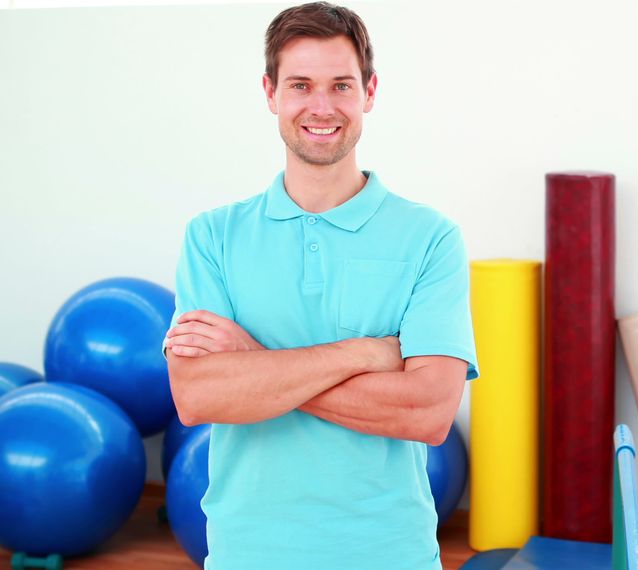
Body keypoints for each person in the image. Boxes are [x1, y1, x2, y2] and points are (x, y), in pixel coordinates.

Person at [163, 3, 478, 568]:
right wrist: (364, 355)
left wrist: (255, 363)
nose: (321, 106)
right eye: (300, 85)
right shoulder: (212, 236)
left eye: (340, 85)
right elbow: (198, 396)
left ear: (370, 91)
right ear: (270, 93)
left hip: (389, 551)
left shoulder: (431, 238)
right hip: (249, 552)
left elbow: (428, 412)